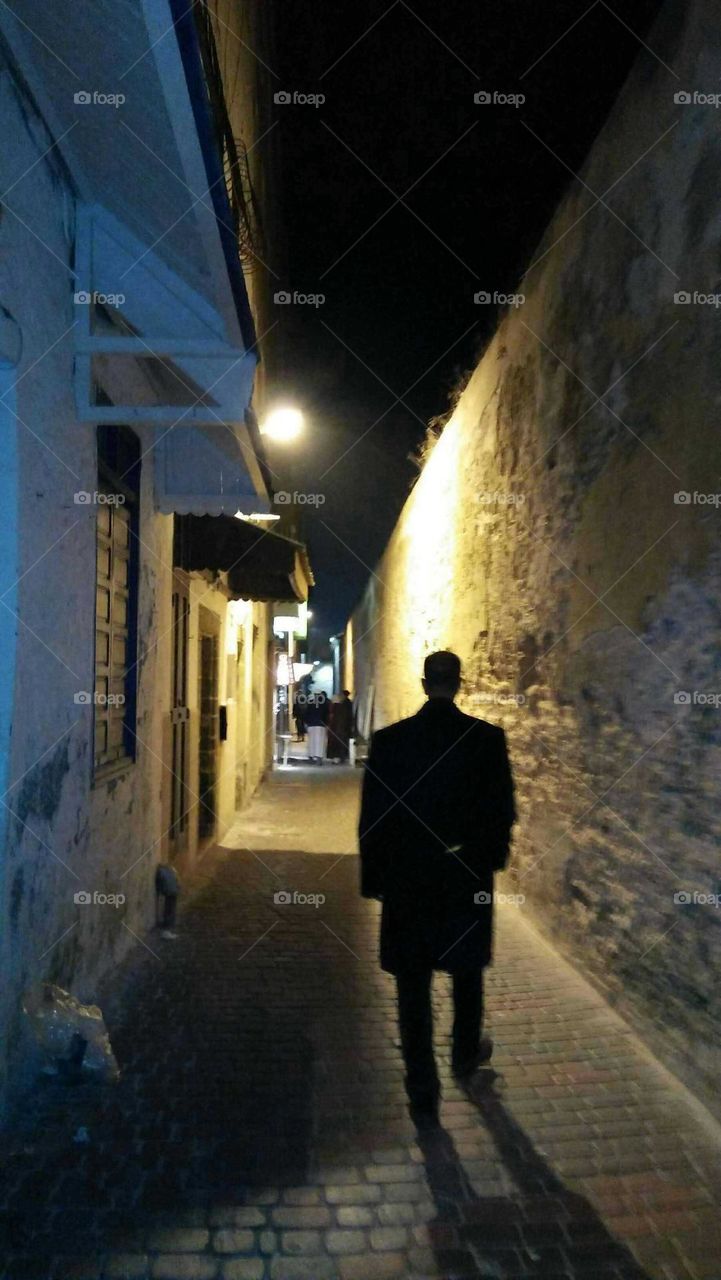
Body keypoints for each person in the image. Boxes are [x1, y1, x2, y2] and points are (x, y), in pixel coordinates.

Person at [358, 650, 516, 1123]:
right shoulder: (486, 740)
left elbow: (373, 819)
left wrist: (376, 880)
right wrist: (487, 862)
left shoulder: (390, 742)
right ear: (459, 684)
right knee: (466, 974)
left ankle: (422, 1089)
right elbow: (502, 810)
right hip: (464, 876)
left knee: (413, 984)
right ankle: (465, 1056)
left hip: (410, 879)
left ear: (425, 684)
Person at [327, 689, 354, 763]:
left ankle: (339, 758)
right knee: (342, 743)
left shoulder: (341, 706)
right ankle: (341, 757)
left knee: (339, 744)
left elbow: (340, 718)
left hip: (339, 729)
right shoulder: (345, 704)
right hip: (342, 728)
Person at [304, 688, 329, 763]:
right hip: (320, 725)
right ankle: (319, 758)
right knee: (320, 742)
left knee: (312, 741)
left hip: (311, 724)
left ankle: (311, 757)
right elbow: (326, 715)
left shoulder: (310, 703)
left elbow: (307, 714)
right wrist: (326, 724)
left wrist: (306, 723)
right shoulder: (324, 704)